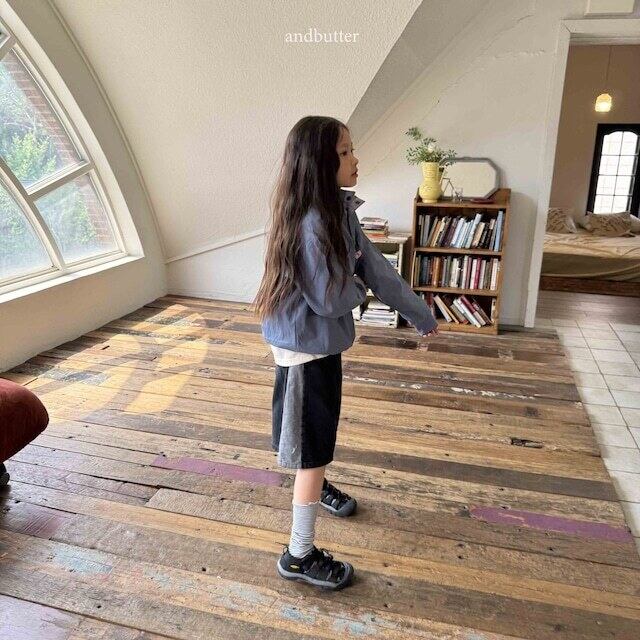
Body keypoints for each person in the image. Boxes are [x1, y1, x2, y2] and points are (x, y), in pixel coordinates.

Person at [252, 115, 439, 590]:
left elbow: (375, 266)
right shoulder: (314, 222)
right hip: (305, 345)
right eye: (344, 152)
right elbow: (330, 297)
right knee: (311, 444)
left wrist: (419, 313)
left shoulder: (337, 210)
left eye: (351, 150)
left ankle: (314, 481)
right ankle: (299, 554)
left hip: (317, 339)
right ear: (319, 163)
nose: (356, 159)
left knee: (315, 433)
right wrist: (358, 285)